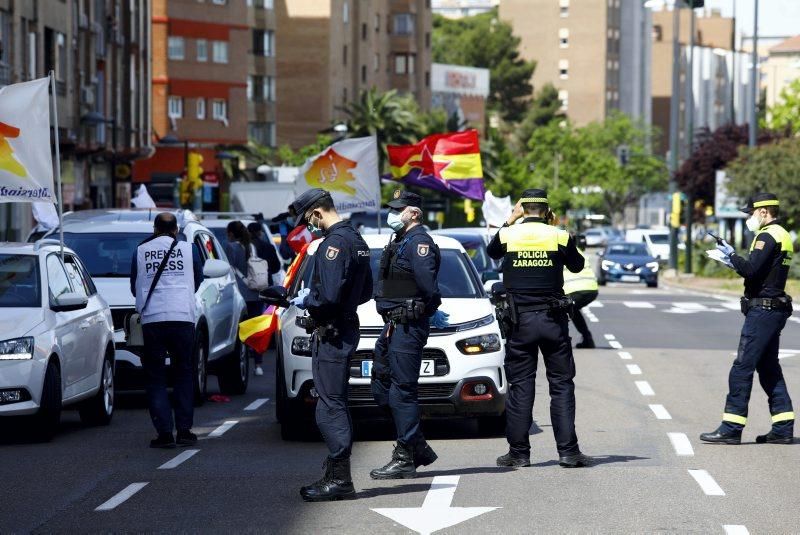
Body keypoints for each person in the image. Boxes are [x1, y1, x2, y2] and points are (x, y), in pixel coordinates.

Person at [486, 189, 592, 468]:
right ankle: (568, 452)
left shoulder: (508, 235)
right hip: (553, 322)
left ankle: (519, 453)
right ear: (546, 210)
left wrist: (510, 219)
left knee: (521, 386)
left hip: (520, 323)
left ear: (523, 208)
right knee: (561, 386)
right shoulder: (559, 235)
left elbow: (491, 251)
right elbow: (578, 266)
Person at [290, 188, 373, 501]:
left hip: (332, 332)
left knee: (330, 407)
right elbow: (365, 291)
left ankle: (340, 479)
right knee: (335, 402)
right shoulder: (356, 239)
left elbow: (328, 297)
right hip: (346, 327)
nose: (308, 226)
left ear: (316, 213)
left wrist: (308, 300)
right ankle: (336, 473)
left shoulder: (333, 244)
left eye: (307, 220)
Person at [700, 193, 795, 445]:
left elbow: (751, 270)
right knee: (769, 369)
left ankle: (731, 428)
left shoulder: (767, 235)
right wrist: (733, 259)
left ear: (763, 212)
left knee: (742, 368)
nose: (748, 218)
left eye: (750, 213)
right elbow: (762, 272)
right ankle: (783, 428)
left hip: (763, 311)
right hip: (773, 309)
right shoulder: (782, 234)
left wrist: (730, 256)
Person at [371, 190, 445, 479]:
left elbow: (429, 290)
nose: (393, 213)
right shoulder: (401, 240)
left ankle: (405, 456)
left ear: (413, 213)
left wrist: (416, 310)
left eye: (398, 209)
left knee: (403, 390)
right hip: (392, 325)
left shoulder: (420, 243)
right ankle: (418, 446)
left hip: (407, 325)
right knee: (381, 384)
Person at [130, 212, 203, 448]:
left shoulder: (141, 251)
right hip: (182, 317)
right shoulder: (188, 249)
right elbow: (198, 279)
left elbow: (134, 285)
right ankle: (184, 431)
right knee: (183, 373)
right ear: (175, 230)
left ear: (154, 229)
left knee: (156, 378)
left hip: (152, 319)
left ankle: (164, 434)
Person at [224, 221, 265, 376]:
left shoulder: (231, 247)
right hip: (255, 292)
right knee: (255, 329)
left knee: (239, 329)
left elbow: (229, 268)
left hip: (239, 293)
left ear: (231, 234)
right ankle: (258, 364)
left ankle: (242, 360)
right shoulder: (251, 246)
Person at [564, 235, 599, 349]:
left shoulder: (562, 251)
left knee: (561, 311)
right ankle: (587, 339)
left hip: (575, 290)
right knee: (573, 311)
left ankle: (560, 341)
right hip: (592, 289)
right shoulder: (579, 252)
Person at [247, 222, 281, 286]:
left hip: (248, 283)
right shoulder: (269, 247)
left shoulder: (244, 247)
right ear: (260, 232)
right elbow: (276, 267)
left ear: (248, 232)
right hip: (266, 282)